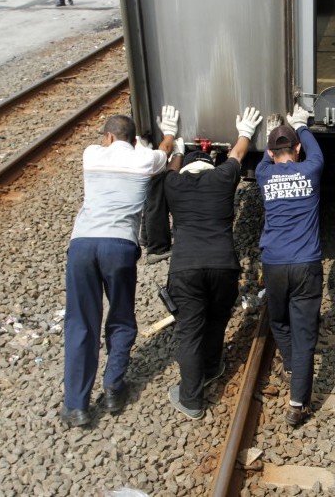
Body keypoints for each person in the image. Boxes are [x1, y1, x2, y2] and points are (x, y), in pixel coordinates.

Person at [61, 109, 178, 427]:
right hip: (120, 247)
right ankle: (113, 387)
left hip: (83, 245)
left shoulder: (91, 155)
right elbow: (165, 149)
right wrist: (168, 131)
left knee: (81, 323)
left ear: (109, 137)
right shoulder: (145, 162)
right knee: (122, 317)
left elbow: (131, 149)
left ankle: (76, 406)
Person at [157, 106, 262, 420]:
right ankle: (213, 366)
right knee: (216, 320)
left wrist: (174, 143)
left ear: (186, 167)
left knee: (189, 332)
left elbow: (170, 166)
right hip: (223, 266)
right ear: (208, 166)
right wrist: (245, 130)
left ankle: (191, 399)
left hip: (186, 268)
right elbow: (239, 153)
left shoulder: (173, 185)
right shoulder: (221, 178)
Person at [256, 106, 325, 427]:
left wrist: (270, 131)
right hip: (306, 264)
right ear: (296, 148)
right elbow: (315, 151)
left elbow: (264, 159)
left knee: (279, 321)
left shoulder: (263, 174)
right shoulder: (311, 170)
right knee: (305, 334)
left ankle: (294, 367)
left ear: (271, 152)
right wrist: (302, 125)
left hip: (274, 264)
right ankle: (297, 404)